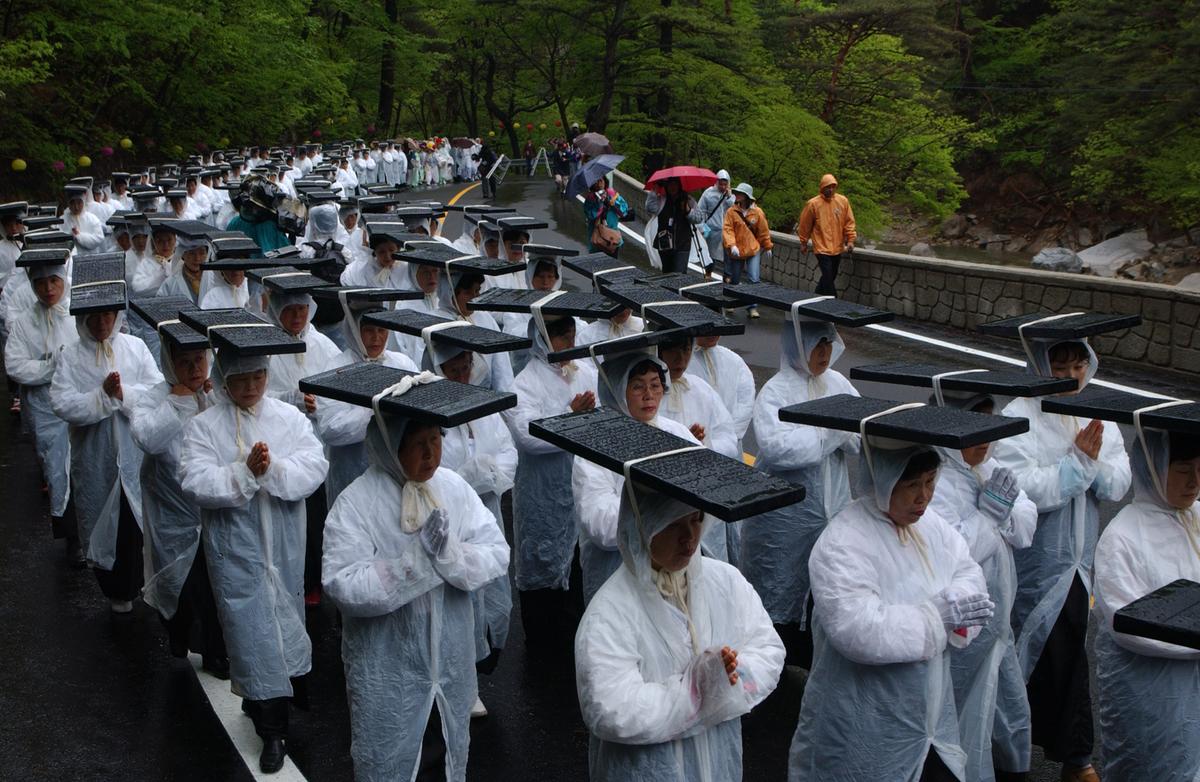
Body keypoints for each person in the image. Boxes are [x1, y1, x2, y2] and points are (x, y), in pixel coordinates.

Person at [323, 406, 510, 782]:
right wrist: (415, 563)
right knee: (392, 763)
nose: (431, 455)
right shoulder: (357, 503)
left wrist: (451, 555)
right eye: (417, 444)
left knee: (446, 757)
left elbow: (496, 551)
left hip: (451, 666)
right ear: (391, 446)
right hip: (389, 670)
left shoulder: (453, 488)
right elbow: (343, 583)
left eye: (436, 441)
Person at [789, 441, 993, 781]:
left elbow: (968, 571)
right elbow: (857, 628)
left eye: (930, 481)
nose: (923, 496)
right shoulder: (843, 541)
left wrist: (952, 609)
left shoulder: (930, 526)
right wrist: (934, 618)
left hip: (928, 713)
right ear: (884, 481)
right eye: (911, 485)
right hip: (865, 715)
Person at [178, 349, 329, 774]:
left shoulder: (287, 417)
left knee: (282, 627)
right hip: (237, 553)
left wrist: (272, 469)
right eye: (241, 379)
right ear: (225, 379)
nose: (250, 387)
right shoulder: (204, 426)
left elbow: (314, 463)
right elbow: (193, 477)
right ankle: (272, 731)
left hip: (283, 548)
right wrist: (242, 474)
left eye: (258, 376)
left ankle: (266, 706)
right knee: (250, 633)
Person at [575, 484, 785, 781]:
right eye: (673, 524)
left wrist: (731, 679)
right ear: (642, 525)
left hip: (720, 764)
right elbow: (609, 709)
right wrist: (697, 690)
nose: (689, 537)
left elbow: (768, 650)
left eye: (696, 519)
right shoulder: (609, 613)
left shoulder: (725, 583)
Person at [992, 338, 1130, 782]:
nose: (1070, 376)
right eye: (1059, 366)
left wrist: (1089, 465)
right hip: (1034, 563)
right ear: (1038, 366)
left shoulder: (1094, 411)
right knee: (1024, 654)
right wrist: (1077, 467)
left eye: (1077, 366)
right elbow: (1023, 488)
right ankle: (1015, 749)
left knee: (1068, 653)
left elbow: (1118, 481)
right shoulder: (1019, 415)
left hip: (1076, 563)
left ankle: (1074, 756)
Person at [930, 392, 1037, 782]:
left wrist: (1004, 514)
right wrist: (989, 517)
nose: (983, 440)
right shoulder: (937, 478)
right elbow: (951, 554)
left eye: (988, 428)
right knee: (959, 714)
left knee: (1011, 711)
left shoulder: (991, 468)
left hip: (998, 627)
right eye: (972, 427)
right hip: (963, 627)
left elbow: (1026, 526)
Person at [740, 319, 859, 665]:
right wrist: (833, 431)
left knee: (824, 585)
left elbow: (860, 433)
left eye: (827, 344)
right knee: (778, 579)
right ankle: (770, 662)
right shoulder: (776, 392)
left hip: (831, 505)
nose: (822, 353)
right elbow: (780, 449)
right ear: (796, 345)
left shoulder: (836, 383)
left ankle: (808, 658)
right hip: (785, 515)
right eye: (814, 345)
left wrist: (834, 432)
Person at [1094, 426, 1200, 782]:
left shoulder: (1197, 518)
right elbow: (1131, 627)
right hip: (1149, 689)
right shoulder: (1123, 537)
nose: (1195, 481)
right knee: (1151, 763)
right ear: (1152, 467)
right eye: (1184, 470)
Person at [422, 344, 518, 716]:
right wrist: (469, 477)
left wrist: (490, 474)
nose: (461, 375)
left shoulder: (481, 406)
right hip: (452, 523)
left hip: (487, 515)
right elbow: (430, 473)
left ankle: (476, 670)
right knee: (460, 606)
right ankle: (462, 685)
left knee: (494, 599)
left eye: (465, 367)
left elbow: (508, 451)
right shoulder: (429, 414)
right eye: (452, 369)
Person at [50, 301, 164, 612]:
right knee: (104, 523)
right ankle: (116, 592)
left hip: (133, 453)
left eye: (107, 315)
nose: (101, 323)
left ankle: (141, 583)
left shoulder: (135, 347)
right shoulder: (71, 355)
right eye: (94, 316)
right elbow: (61, 402)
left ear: (117, 317)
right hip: (95, 457)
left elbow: (156, 390)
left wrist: (121, 394)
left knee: (135, 522)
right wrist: (100, 397)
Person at [129, 333, 228, 678]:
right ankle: (176, 629)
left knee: (213, 586)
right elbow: (147, 439)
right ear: (170, 363)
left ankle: (215, 652)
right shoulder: (156, 398)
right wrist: (177, 403)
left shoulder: (215, 393)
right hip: (172, 512)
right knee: (180, 585)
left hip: (211, 509)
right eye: (184, 362)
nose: (194, 369)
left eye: (199, 360)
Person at [503, 314, 598, 651]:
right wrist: (570, 418)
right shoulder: (524, 383)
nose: (569, 344)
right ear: (543, 338)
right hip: (543, 489)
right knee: (543, 561)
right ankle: (542, 646)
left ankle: (574, 642)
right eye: (560, 337)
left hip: (580, 482)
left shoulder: (584, 372)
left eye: (572, 336)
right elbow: (529, 438)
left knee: (577, 563)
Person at [573, 351, 698, 603]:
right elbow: (597, 521)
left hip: (674, 564)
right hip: (617, 571)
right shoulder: (596, 444)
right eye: (637, 387)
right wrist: (657, 522)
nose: (649, 395)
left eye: (655, 385)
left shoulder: (677, 433)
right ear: (617, 390)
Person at [5, 258, 82, 564]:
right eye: (40, 283)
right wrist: (50, 366)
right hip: (46, 409)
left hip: (79, 405)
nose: (48, 289)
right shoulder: (26, 322)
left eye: (54, 281)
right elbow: (15, 365)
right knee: (57, 471)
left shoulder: (77, 315)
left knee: (83, 468)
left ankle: (89, 533)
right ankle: (72, 537)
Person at [315, 296, 419, 506]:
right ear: (354, 331)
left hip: (397, 469)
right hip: (351, 471)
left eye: (382, 330)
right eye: (369, 330)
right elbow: (331, 429)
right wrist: (379, 411)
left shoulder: (402, 363)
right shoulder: (336, 369)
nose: (376, 338)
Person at [685, 335, 754, 451]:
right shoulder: (682, 362)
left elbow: (746, 401)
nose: (712, 334)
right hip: (693, 444)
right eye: (707, 329)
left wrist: (728, 436)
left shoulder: (733, 360)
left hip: (729, 445)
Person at [795, 174, 856, 296]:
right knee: (828, 277)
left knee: (830, 276)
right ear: (822, 187)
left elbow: (849, 222)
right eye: (828, 187)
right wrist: (803, 242)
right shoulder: (813, 204)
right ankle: (834, 303)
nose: (831, 189)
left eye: (833, 186)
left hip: (837, 247)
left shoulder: (842, 201)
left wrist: (850, 240)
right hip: (821, 248)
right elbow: (804, 225)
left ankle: (815, 298)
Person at [720, 183, 771, 318]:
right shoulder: (731, 212)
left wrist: (767, 246)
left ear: (747, 196)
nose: (737, 195)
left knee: (754, 278)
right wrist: (732, 245)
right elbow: (727, 229)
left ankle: (752, 307)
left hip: (753, 249)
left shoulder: (757, 212)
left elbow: (763, 231)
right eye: (737, 192)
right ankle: (731, 302)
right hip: (737, 250)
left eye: (741, 193)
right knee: (735, 279)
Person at [645, 178, 701, 274]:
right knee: (667, 273)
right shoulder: (662, 200)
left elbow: (698, 218)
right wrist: (654, 191)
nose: (672, 187)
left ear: (679, 186)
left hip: (682, 244)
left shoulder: (688, 200)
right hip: (664, 244)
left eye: (675, 184)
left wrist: (688, 210)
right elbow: (650, 209)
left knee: (679, 275)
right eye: (670, 185)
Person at [695, 170, 733, 273]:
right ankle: (708, 274)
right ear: (716, 182)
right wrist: (701, 225)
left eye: (725, 184)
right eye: (721, 184)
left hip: (726, 231)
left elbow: (734, 210)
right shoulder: (708, 193)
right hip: (712, 230)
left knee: (727, 256)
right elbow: (701, 210)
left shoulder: (730, 196)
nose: (723, 187)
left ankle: (727, 278)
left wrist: (729, 197)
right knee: (712, 256)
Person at [582, 178, 629, 257]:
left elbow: (624, 211)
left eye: (600, 180)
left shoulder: (611, 193)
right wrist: (599, 202)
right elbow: (591, 215)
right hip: (597, 237)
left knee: (612, 263)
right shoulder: (590, 198)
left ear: (605, 181)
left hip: (612, 236)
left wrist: (611, 201)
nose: (598, 183)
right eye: (595, 181)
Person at [60, 184, 106, 256]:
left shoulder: (92, 219)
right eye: (73, 203)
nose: (76, 207)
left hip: (90, 259)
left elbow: (99, 238)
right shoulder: (62, 220)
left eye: (79, 203)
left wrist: (79, 236)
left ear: (83, 202)